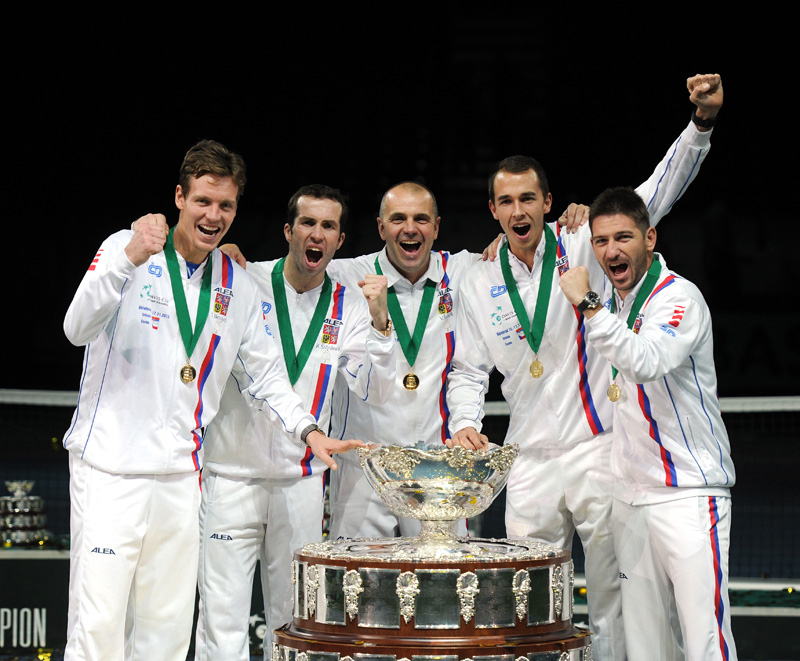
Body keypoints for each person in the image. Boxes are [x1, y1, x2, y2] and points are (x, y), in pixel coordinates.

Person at [445, 74, 723, 660]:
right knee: (528, 606)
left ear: (548, 203)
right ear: (493, 210)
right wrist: (465, 422)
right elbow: (467, 368)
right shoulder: (477, 278)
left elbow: (656, 193)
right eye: (506, 201)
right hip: (527, 461)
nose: (518, 211)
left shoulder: (581, 240)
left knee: (612, 602)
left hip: (599, 451)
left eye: (528, 199)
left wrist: (700, 126)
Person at [61, 141, 361, 661]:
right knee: (100, 624)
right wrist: (127, 259)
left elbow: (266, 374)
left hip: (182, 476)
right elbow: (76, 328)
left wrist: (309, 430)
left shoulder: (237, 285)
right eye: (202, 201)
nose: (213, 216)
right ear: (180, 197)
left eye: (225, 205)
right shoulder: (126, 248)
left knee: (168, 627)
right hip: (111, 468)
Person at [194, 185, 395, 660]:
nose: (316, 234)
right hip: (231, 476)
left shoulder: (350, 304)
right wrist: (217, 259)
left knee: (294, 623)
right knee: (221, 619)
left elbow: (373, 389)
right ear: (288, 231)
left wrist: (381, 324)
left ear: (340, 240)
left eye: (328, 226)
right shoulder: (245, 280)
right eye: (307, 223)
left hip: (301, 482)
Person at [557, 187, 736, 660]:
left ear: (650, 238)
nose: (611, 250)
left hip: (688, 496)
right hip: (630, 500)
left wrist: (588, 304)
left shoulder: (678, 298)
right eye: (601, 241)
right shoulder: (616, 303)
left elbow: (645, 361)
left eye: (623, 237)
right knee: (645, 648)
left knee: (704, 641)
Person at [325, 181, 479, 538]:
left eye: (421, 219)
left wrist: (569, 223)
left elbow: (516, 246)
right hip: (364, 468)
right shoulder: (346, 275)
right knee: (360, 573)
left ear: (436, 227)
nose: (410, 228)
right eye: (398, 219)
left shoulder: (463, 271)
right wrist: (229, 255)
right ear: (381, 228)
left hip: (436, 466)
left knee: (442, 572)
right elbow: (284, 272)